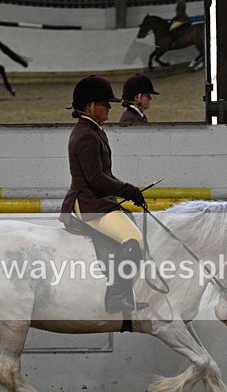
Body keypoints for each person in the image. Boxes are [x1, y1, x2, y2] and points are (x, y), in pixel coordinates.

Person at [60, 75, 149, 314]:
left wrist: (125, 192)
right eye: (105, 103)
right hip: (88, 201)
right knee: (133, 241)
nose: (110, 108)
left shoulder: (93, 130)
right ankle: (116, 296)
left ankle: (125, 292)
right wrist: (128, 190)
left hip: (97, 198)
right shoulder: (86, 135)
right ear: (90, 106)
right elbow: (96, 178)